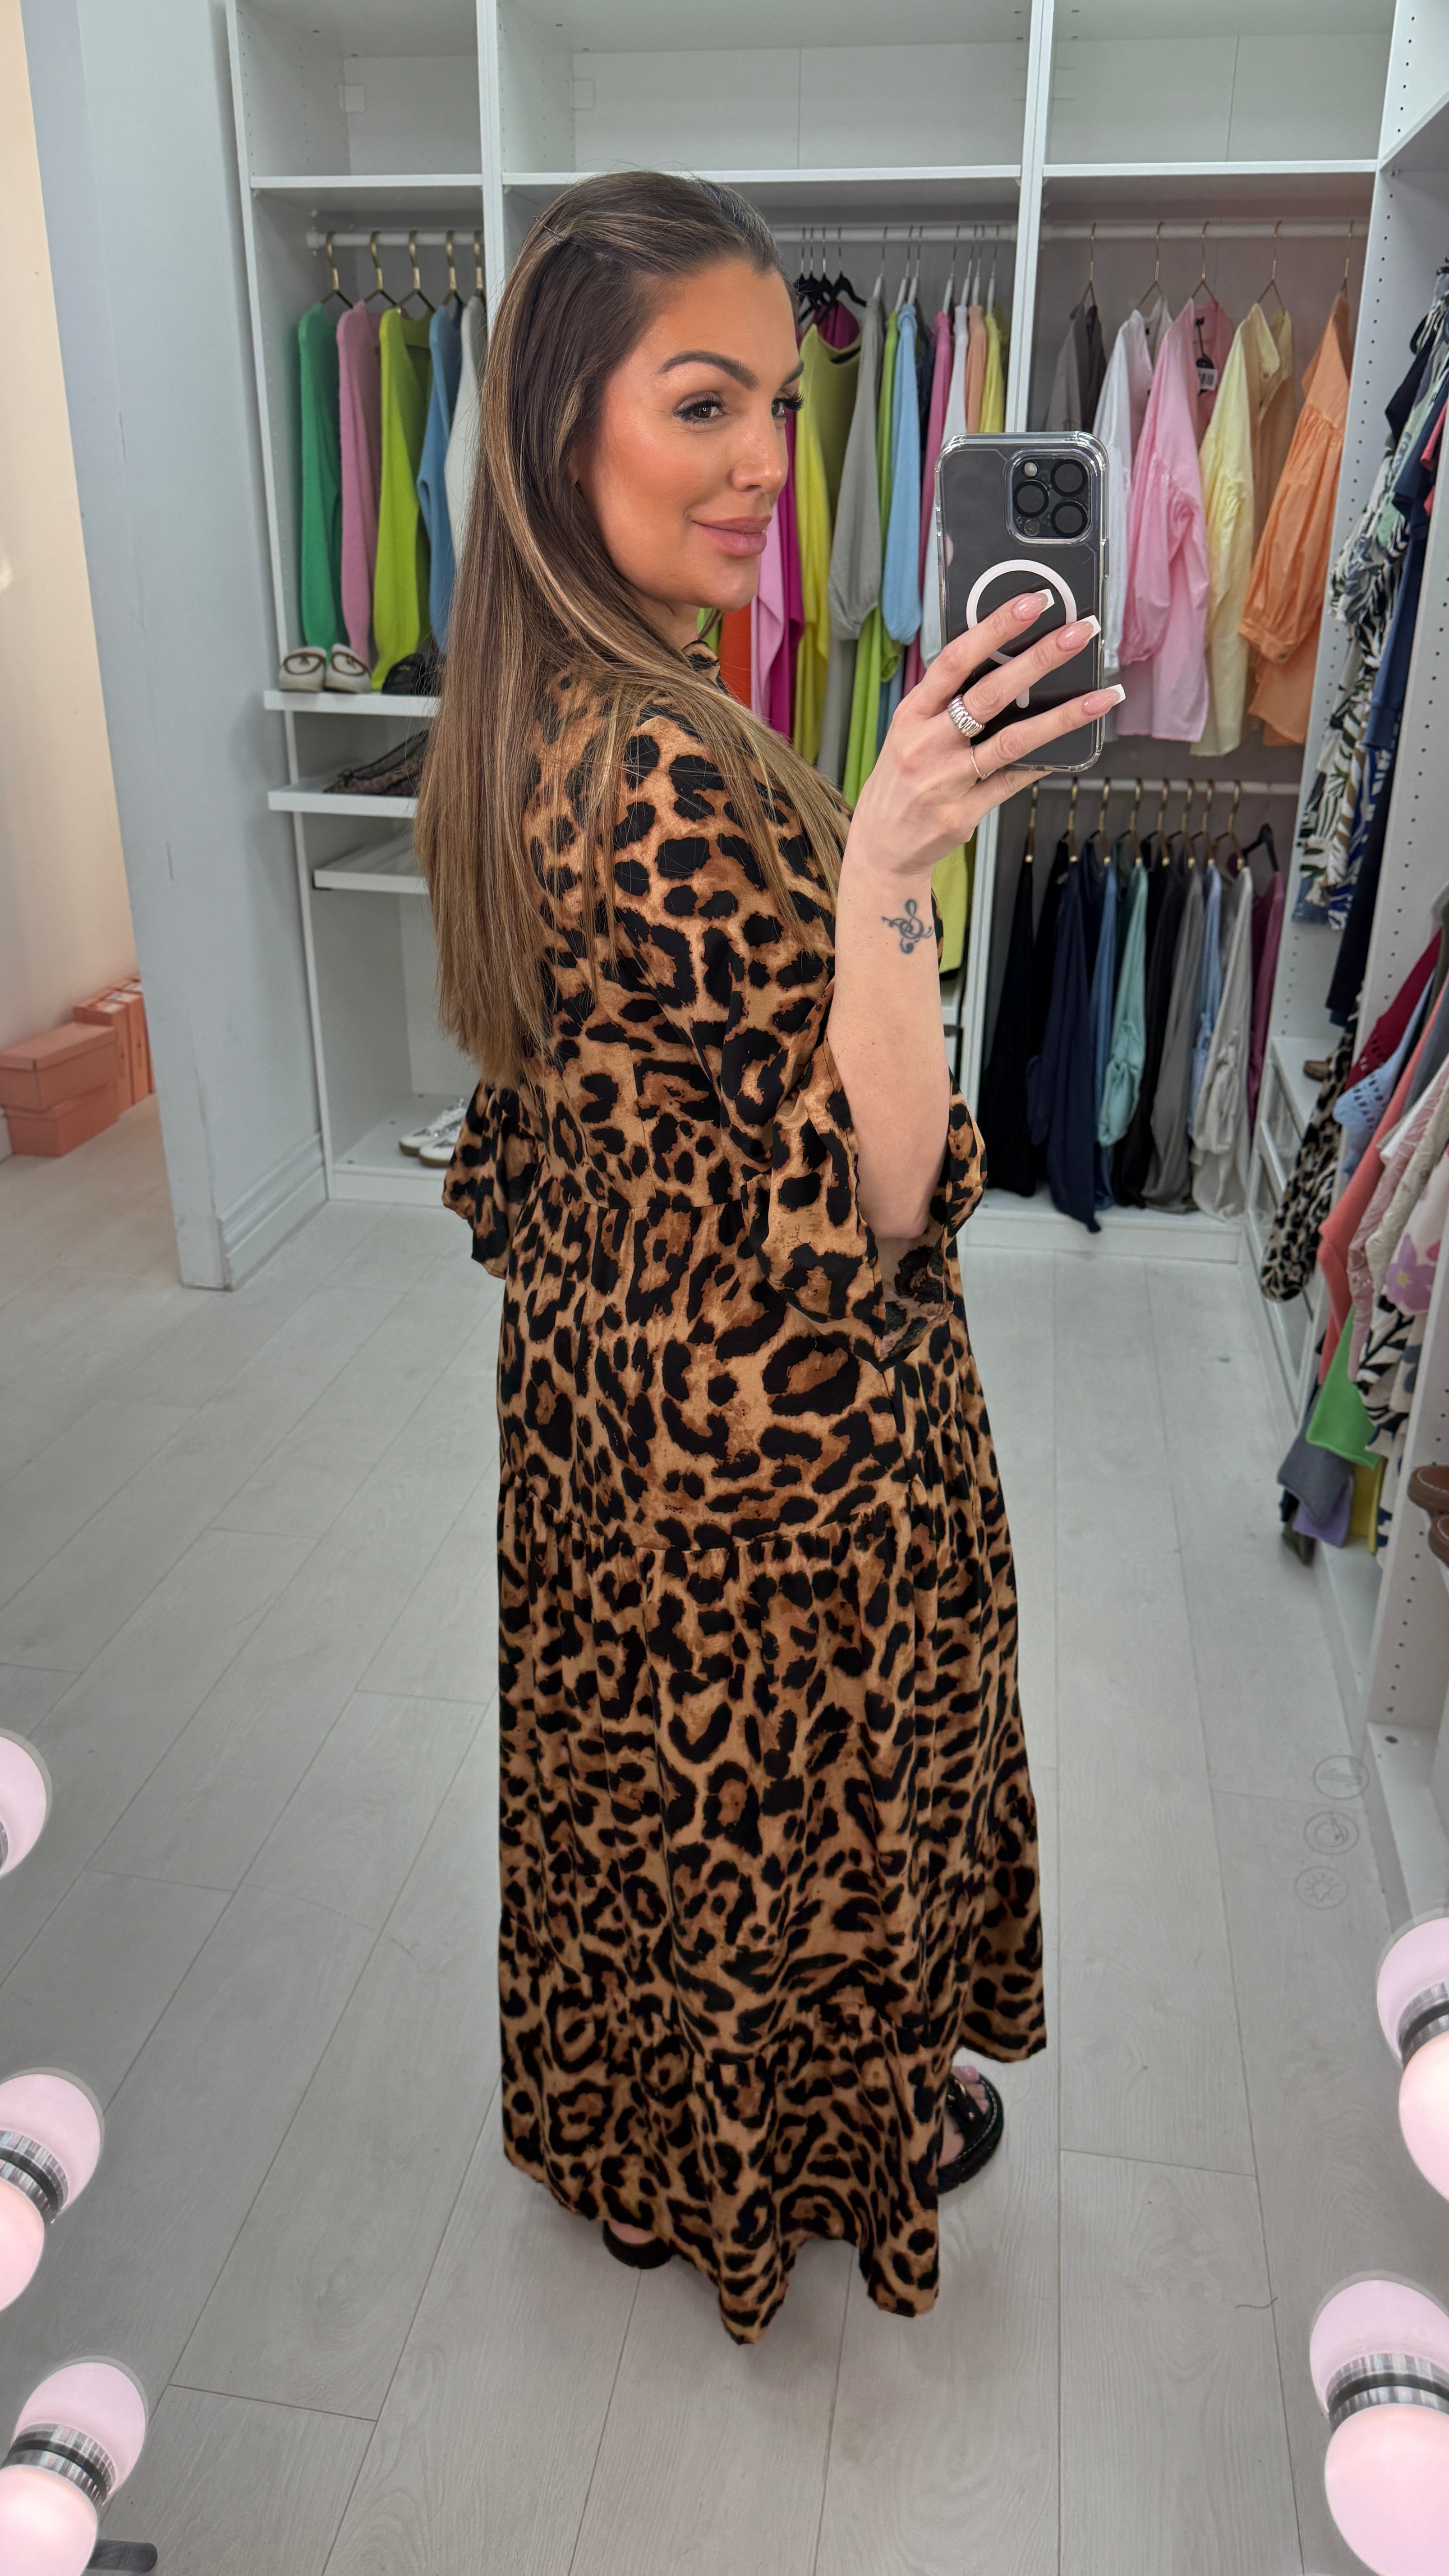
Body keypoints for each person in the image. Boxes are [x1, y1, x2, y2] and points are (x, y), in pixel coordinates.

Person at [416, 171, 1123, 2344]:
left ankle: (645, 2154)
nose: (760, 467)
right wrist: (891, 863)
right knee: (792, 1840)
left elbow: (608, 1100)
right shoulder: (670, 767)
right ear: (566, 429)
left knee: (635, 1802)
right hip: (772, 1447)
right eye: (701, 403)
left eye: (779, 409)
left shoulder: (529, 706)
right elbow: (877, 1185)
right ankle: (801, 2167)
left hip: (614, 1397)